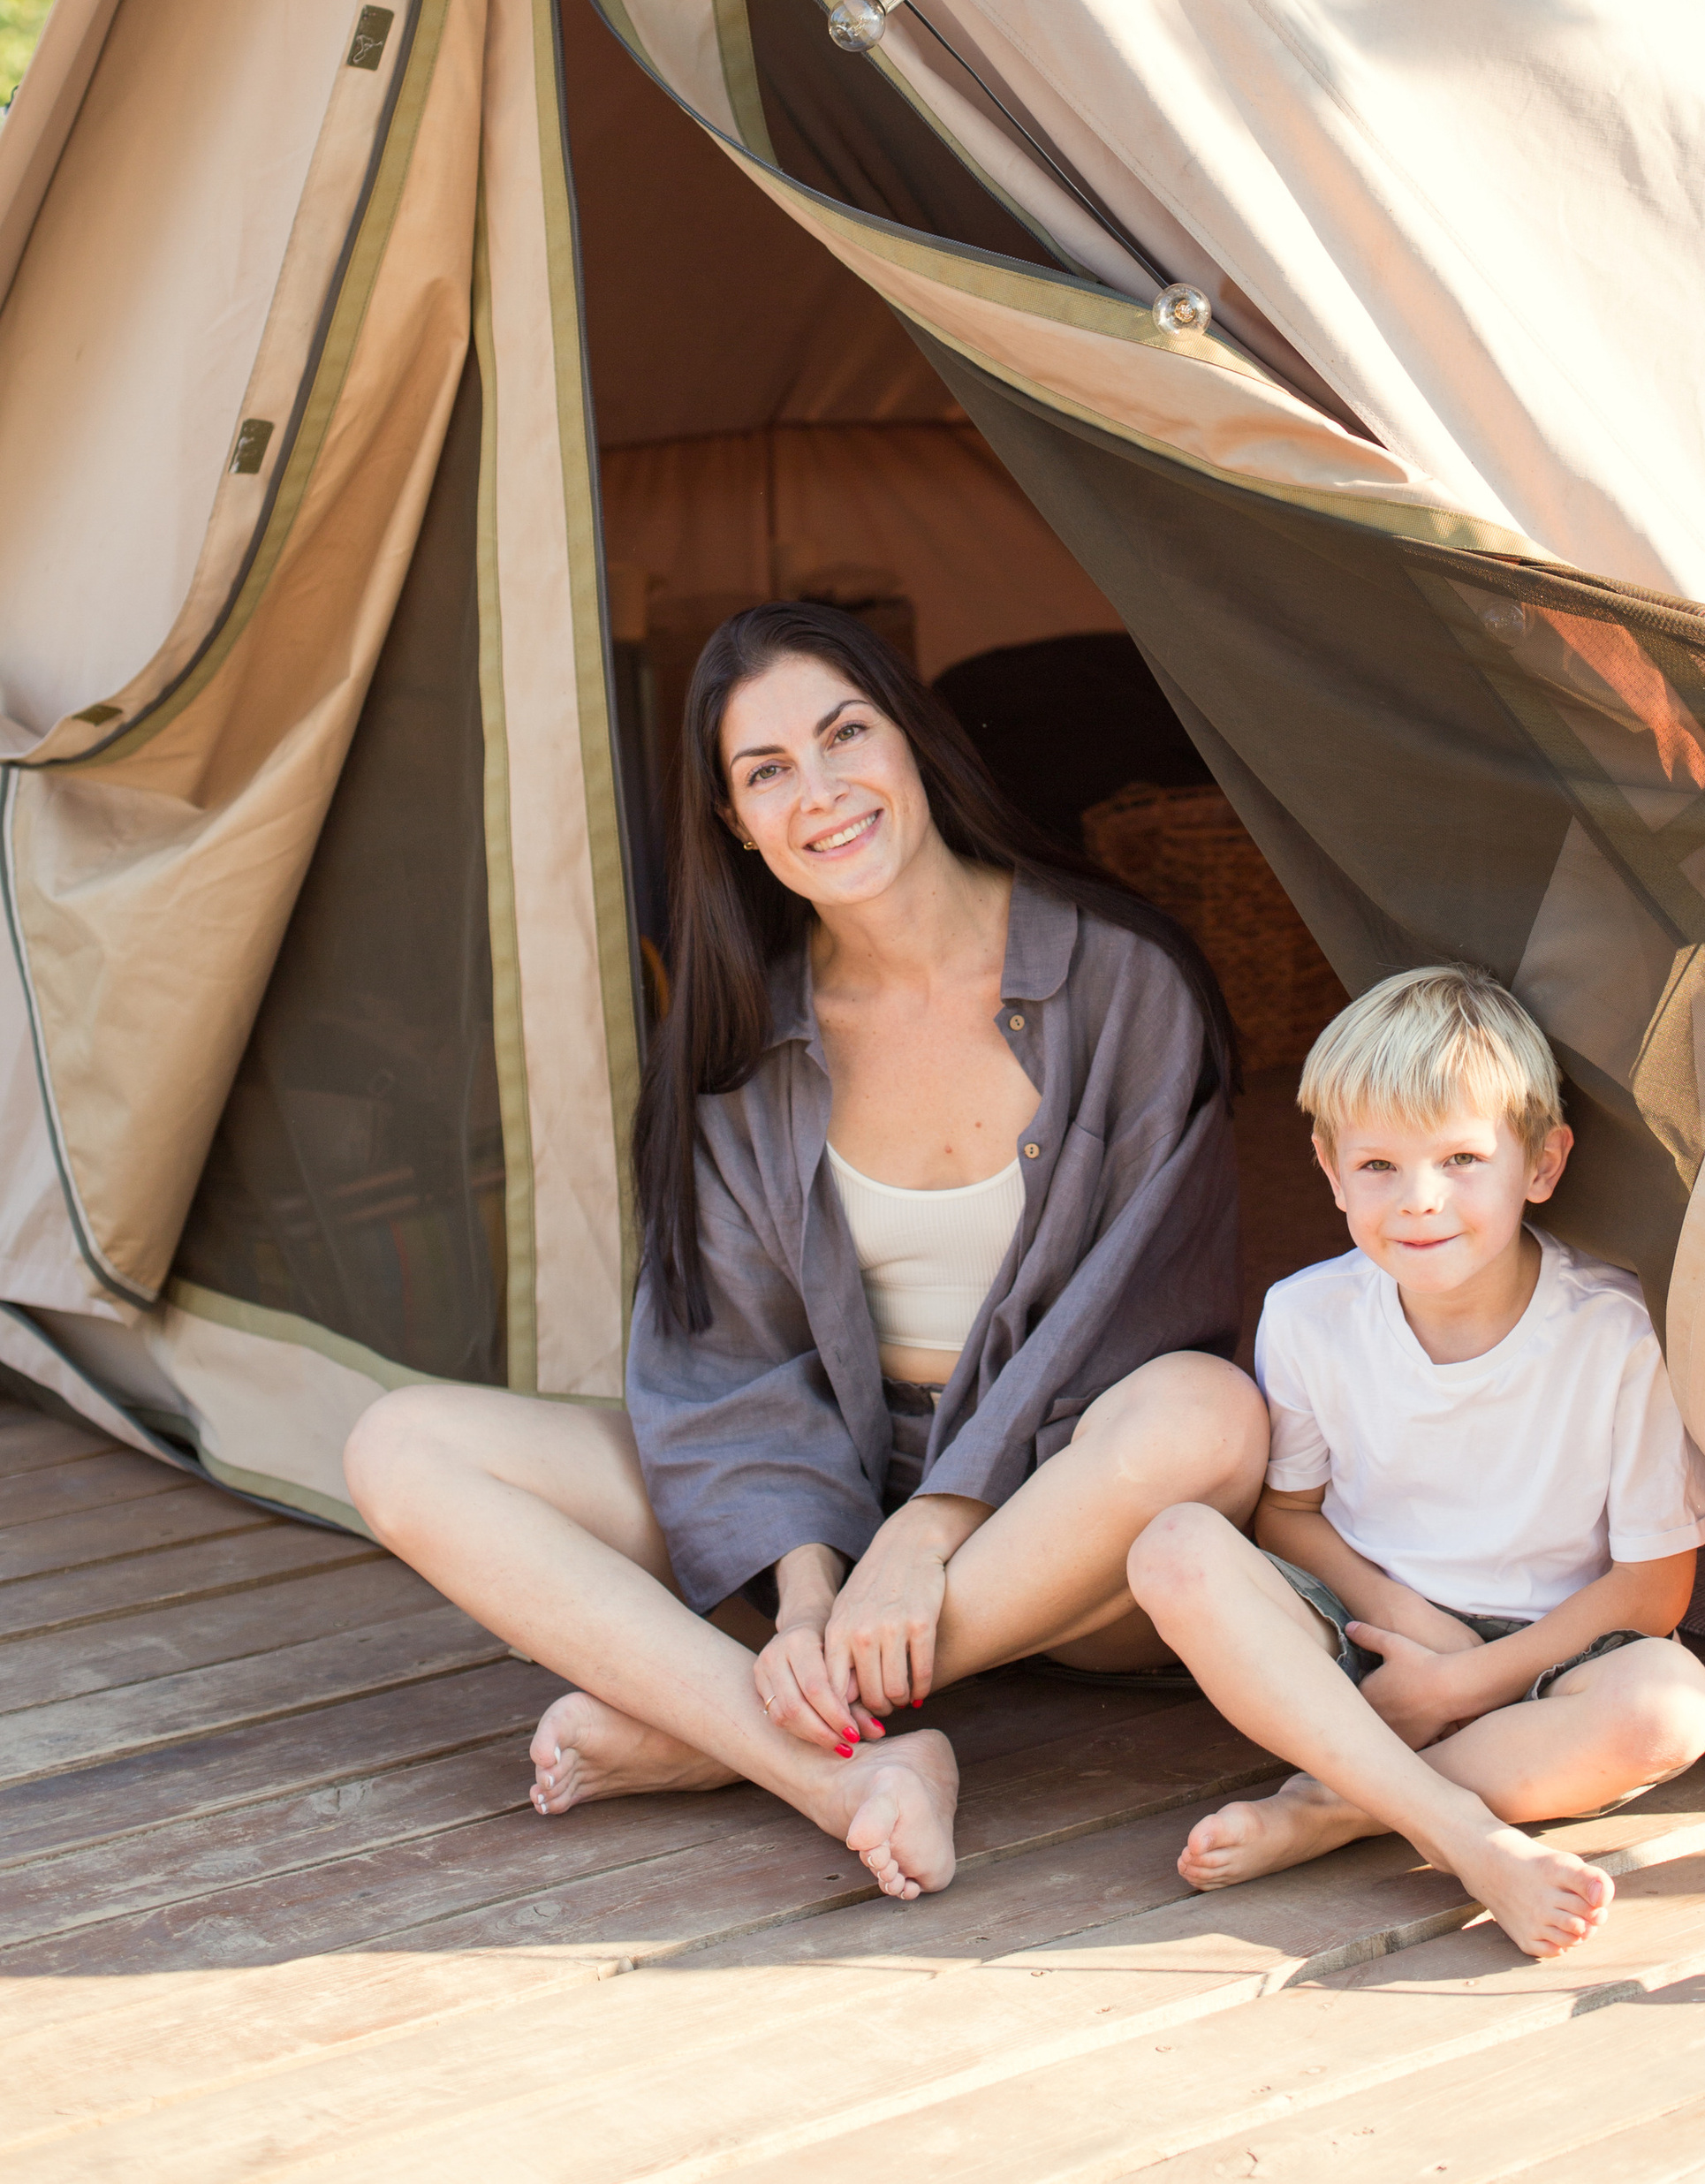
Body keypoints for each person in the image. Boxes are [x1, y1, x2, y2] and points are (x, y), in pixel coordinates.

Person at [345, 601, 1265, 1905]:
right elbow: (729, 1362)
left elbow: (1133, 1314)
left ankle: (713, 1730)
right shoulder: (745, 1041)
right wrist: (808, 1582)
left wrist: (927, 1536)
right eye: (766, 772)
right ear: (734, 822)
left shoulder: (1123, 983)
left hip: (1057, 1510)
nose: (819, 793)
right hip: (823, 1485)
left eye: (845, 736)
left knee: (1210, 1416)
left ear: (915, 743)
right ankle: (839, 1766)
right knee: (401, 1447)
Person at [1125, 962, 1705, 1960]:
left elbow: (1655, 1589)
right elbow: (1289, 1517)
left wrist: (1465, 1682)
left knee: (1669, 1705)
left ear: (1540, 1162)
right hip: (1364, 1644)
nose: (1419, 1202)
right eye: (1378, 1168)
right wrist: (1405, 1626)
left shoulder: (1615, 1332)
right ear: (1327, 1167)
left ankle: (1335, 1807)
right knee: (1175, 1547)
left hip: (1545, 1659)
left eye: (1459, 1159)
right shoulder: (1310, 1315)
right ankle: (1465, 1835)